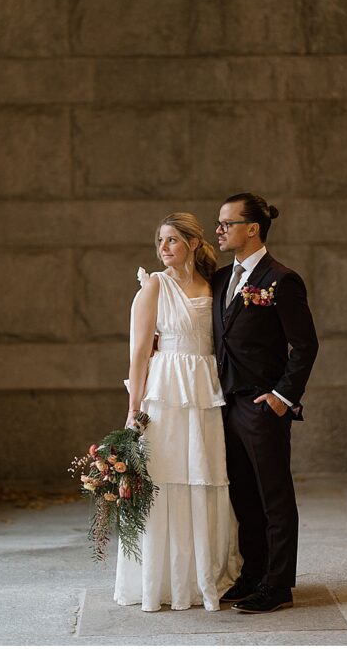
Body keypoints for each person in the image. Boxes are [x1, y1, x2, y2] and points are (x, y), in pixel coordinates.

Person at [115, 213, 240, 612]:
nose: (163, 248)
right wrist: (134, 408)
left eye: (171, 240)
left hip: (205, 387)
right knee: (167, 477)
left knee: (204, 474)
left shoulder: (213, 283)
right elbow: (138, 351)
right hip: (167, 390)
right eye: (159, 241)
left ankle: (204, 575)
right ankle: (162, 581)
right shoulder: (153, 285)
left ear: (190, 242)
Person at [213, 193, 318, 614]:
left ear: (252, 228)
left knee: (273, 497)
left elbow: (305, 346)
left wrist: (281, 397)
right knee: (243, 496)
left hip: (261, 407)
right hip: (225, 405)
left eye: (226, 223)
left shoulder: (281, 279)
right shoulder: (222, 279)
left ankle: (278, 586)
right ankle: (252, 574)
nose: (218, 230)